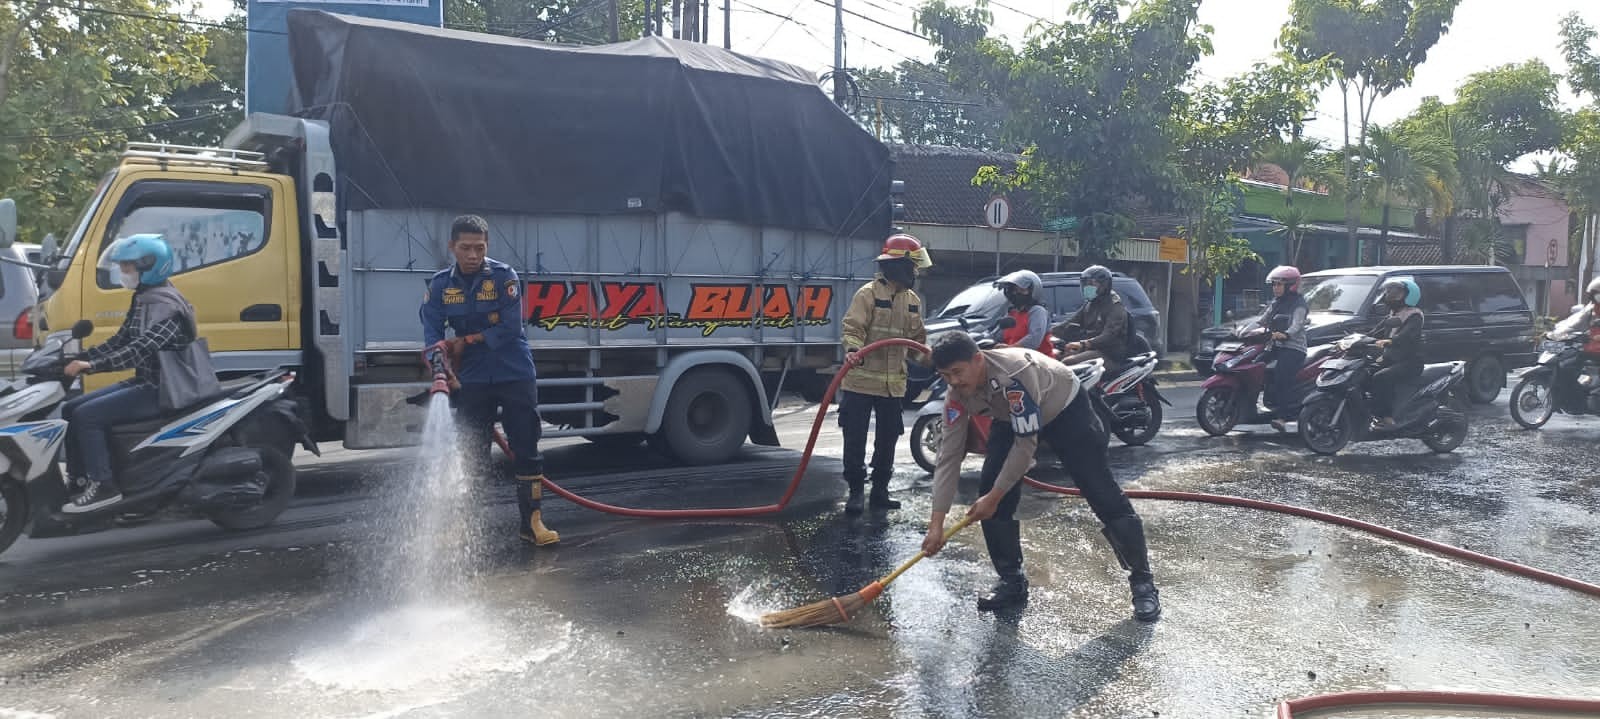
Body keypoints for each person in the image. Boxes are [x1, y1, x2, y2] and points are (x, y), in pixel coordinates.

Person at [920, 331, 1161, 621]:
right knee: (990, 488)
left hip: (1065, 408)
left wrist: (994, 498)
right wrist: (936, 524)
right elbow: (948, 456)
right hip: (1010, 417)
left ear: (977, 359)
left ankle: (1142, 582)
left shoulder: (1015, 376)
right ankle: (1011, 581)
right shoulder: (956, 395)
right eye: (946, 375)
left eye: (958, 372)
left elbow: (1025, 448)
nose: (954, 382)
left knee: (1100, 491)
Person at [420, 214, 558, 546]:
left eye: (479, 248)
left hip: (514, 372)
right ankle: (467, 529)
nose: (472, 255)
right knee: (472, 453)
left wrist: (465, 342)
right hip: (472, 379)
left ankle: (532, 524)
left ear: (487, 247)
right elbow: (432, 338)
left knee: (526, 448)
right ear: (452, 246)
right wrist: (441, 367)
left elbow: (510, 328)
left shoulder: (502, 277)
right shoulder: (440, 286)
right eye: (465, 248)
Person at [60, 234, 201, 513]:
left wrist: (92, 367)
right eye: (123, 267)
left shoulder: (168, 307)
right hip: (144, 382)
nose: (123, 273)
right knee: (71, 408)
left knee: (88, 416)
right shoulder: (145, 298)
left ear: (150, 266)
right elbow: (121, 339)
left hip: (162, 390)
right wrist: (82, 356)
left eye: (128, 267)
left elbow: (139, 349)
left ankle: (104, 485)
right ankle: (80, 479)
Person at [837, 233, 931, 514]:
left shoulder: (913, 300)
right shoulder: (868, 294)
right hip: (861, 382)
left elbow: (915, 342)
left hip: (893, 386)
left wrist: (929, 359)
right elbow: (853, 328)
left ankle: (880, 491)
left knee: (888, 439)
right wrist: (853, 349)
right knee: (855, 438)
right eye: (913, 266)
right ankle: (855, 492)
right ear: (900, 265)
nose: (916, 272)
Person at [1368, 277, 1424, 428]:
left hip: (1410, 361)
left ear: (1409, 295)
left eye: (1397, 293)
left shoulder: (1414, 315)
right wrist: (1355, 338)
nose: (1390, 296)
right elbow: (1375, 332)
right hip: (1392, 359)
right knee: (1364, 371)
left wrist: (1390, 341)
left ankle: (1386, 416)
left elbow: (1407, 335)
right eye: (1389, 292)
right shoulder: (1393, 314)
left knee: (1382, 377)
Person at [1261, 266, 1309, 432]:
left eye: (1279, 284)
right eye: (1274, 284)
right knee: (1257, 364)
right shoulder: (1276, 303)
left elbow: (1297, 325)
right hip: (1276, 345)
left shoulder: (1299, 304)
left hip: (1294, 348)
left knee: (1281, 376)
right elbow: (1262, 320)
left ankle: (1282, 416)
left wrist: (1285, 334)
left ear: (1290, 286)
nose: (1275, 288)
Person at [1054, 265, 1129, 366]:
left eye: (1091, 284)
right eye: (1085, 284)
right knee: (1055, 357)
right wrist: (1049, 333)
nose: (1087, 287)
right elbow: (1070, 322)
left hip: (1109, 354)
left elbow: (1109, 335)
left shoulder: (1115, 306)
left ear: (1104, 285)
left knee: (1069, 362)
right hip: (1091, 349)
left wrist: (1083, 344)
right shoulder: (1091, 304)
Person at [994, 270, 1053, 355]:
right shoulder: (1012, 313)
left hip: (1037, 362)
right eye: (1014, 290)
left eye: (1022, 290)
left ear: (1032, 290)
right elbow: (998, 336)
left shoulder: (1037, 311)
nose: (1016, 293)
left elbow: (1034, 339)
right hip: (1013, 361)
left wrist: (1010, 348)